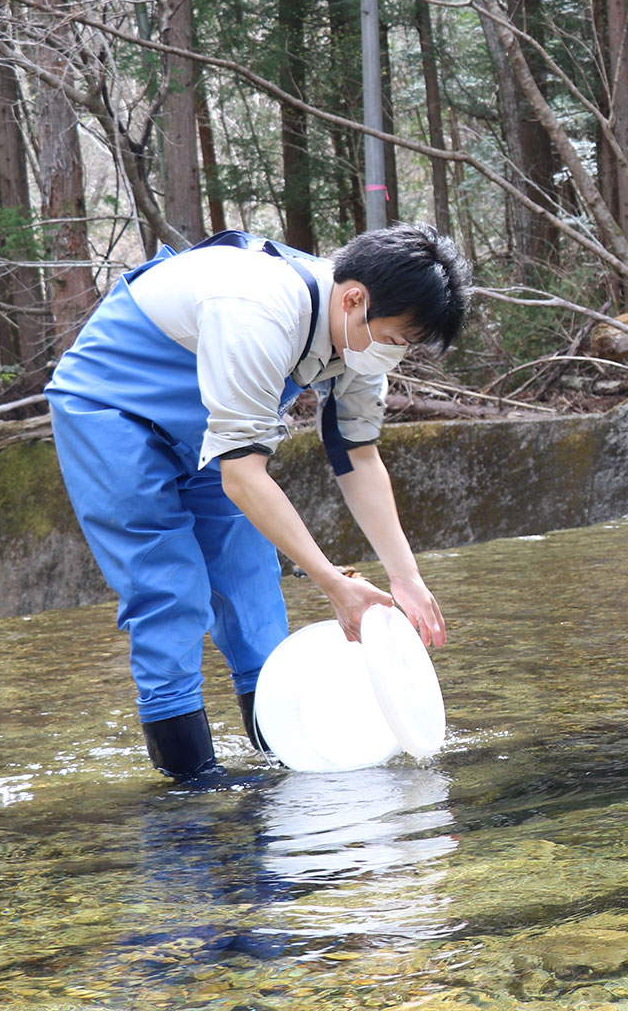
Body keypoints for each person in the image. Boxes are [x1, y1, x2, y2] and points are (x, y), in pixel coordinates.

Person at [45, 224, 469, 782]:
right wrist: (334, 584)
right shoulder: (261, 308)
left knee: (251, 586)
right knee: (171, 590)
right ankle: (191, 784)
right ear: (355, 298)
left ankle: (279, 762)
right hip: (113, 410)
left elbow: (357, 457)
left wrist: (406, 577)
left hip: (208, 427)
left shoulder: (361, 341)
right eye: (395, 340)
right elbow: (244, 478)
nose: (395, 356)